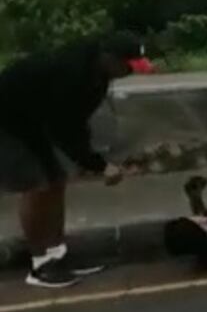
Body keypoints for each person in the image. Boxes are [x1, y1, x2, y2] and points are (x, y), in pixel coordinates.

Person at [0, 32, 154, 288]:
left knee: (56, 180)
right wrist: (99, 165)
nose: (130, 72)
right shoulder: (70, 72)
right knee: (37, 186)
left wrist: (93, 161)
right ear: (109, 58)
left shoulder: (99, 75)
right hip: (7, 121)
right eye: (127, 66)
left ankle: (57, 254)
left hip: (33, 120)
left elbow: (78, 122)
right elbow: (65, 128)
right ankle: (41, 265)